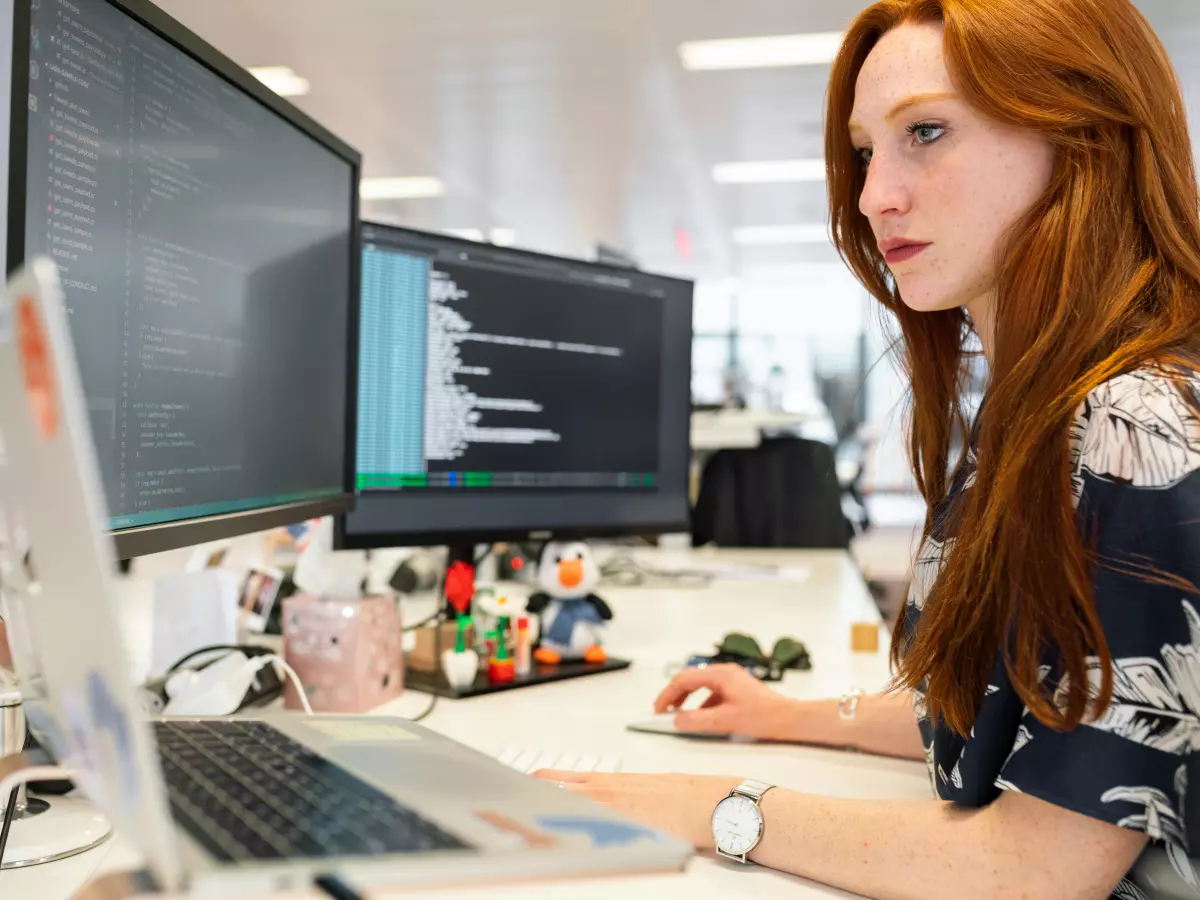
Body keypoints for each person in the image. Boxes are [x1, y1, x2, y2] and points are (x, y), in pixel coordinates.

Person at [535, 0, 1200, 896]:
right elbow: (1022, 713)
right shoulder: (1038, 410)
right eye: (864, 151)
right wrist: (792, 714)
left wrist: (712, 807)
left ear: (1084, 137)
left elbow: (1040, 866)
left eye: (926, 131)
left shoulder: (1139, 425)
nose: (872, 193)